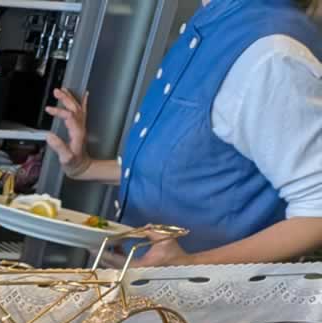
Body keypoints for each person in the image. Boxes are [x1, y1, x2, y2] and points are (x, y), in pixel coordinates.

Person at [45, 0, 322, 265]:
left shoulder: (270, 54)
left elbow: (316, 210)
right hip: (148, 289)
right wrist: (86, 168)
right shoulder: (217, 22)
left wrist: (191, 264)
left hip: (203, 296)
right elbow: (198, 167)